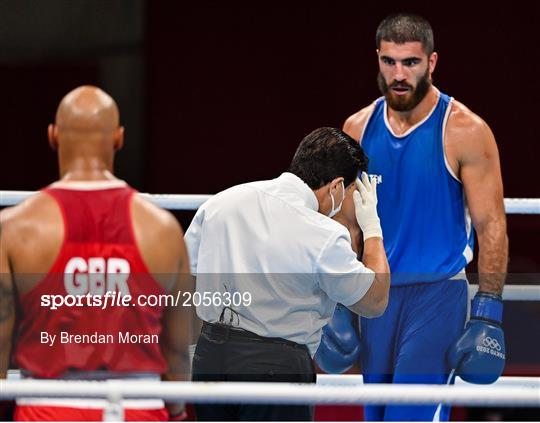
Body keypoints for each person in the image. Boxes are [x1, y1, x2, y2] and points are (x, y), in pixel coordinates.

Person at [316, 13, 508, 421]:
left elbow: (492, 225)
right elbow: (345, 226)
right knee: (377, 416)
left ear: (432, 62)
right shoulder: (357, 128)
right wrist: (340, 305)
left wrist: (489, 311)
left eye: (411, 62)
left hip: (437, 297)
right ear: (378, 60)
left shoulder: (464, 130)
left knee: (411, 418)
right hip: (377, 301)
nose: (399, 74)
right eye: (390, 62)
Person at [0, 86, 193, 421]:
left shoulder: (16, 226)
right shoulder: (163, 228)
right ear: (118, 138)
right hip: (139, 409)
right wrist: (176, 412)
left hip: (46, 411)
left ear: (53, 136)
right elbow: (177, 348)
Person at [184, 127, 390, 421]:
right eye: (348, 193)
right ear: (336, 186)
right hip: (276, 366)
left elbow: (183, 278)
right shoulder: (323, 235)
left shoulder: (222, 202)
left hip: (209, 355)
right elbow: (375, 300)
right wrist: (372, 229)